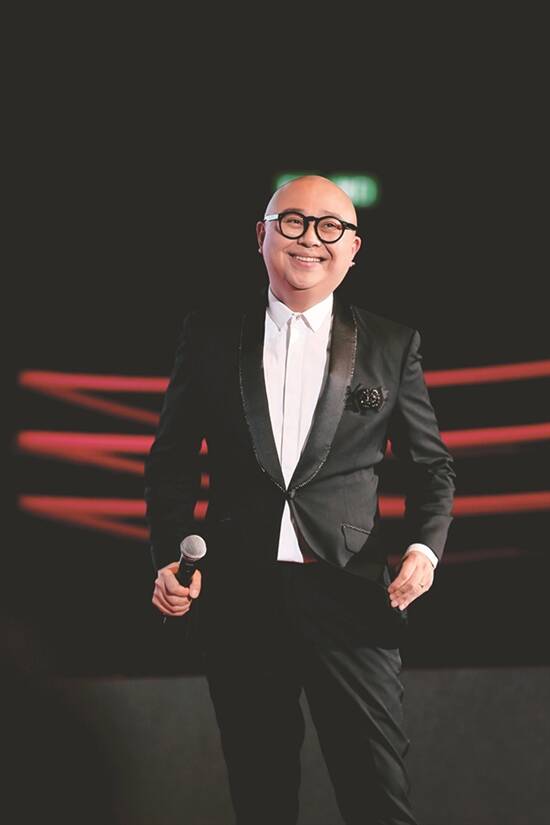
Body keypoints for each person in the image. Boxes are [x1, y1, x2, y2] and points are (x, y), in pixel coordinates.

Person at [144, 175, 456, 825]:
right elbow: (171, 461)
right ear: (261, 235)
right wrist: (170, 556)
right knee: (261, 795)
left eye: (330, 226)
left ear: (353, 248)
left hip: (352, 596)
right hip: (240, 597)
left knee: (377, 795)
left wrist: (424, 550)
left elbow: (432, 468)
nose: (311, 238)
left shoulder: (392, 344)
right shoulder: (208, 335)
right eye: (293, 221)